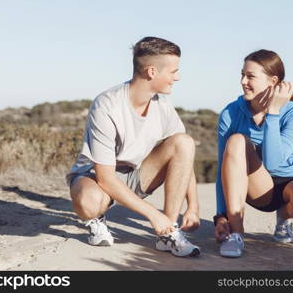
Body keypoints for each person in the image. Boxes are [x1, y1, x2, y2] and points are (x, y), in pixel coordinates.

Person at [66, 36, 200, 257]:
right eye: (173, 71)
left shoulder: (163, 107)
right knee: (89, 203)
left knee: (183, 141)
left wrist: (193, 206)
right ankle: (97, 218)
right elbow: (105, 178)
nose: (177, 77)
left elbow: (185, 157)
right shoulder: (106, 105)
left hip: (134, 175)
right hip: (95, 177)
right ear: (151, 72)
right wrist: (153, 215)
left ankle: (167, 234)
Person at [214, 49, 293, 258]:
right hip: (259, 186)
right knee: (236, 140)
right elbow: (223, 168)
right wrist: (220, 216)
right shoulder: (230, 113)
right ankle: (236, 234)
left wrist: (273, 113)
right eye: (242, 74)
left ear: (272, 81)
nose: (242, 81)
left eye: (250, 76)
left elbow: (275, 163)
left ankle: (284, 215)